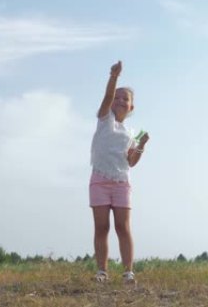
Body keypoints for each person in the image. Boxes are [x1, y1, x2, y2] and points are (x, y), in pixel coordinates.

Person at [89, 61, 149, 284]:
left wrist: (141, 145)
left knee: (123, 227)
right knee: (101, 227)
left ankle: (128, 272)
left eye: (126, 99)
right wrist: (114, 77)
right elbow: (106, 98)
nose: (121, 100)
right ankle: (102, 271)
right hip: (99, 180)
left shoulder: (130, 133)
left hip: (121, 182)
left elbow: (131, 161)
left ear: (131, 107)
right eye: (118, 97)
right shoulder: (106, 120)